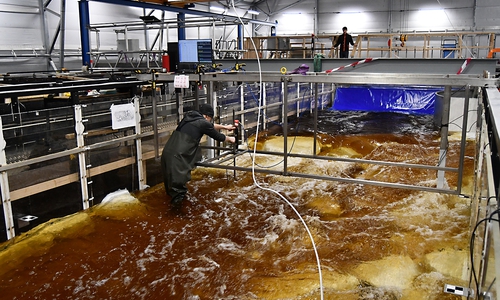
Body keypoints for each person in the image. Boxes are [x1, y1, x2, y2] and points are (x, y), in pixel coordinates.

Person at [161, 104, 236, 208]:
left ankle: (170, 209)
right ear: (206, 116)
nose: (209, 121)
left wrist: (224, 127)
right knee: (178, 189)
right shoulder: (202, 123)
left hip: (167, 153)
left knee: (170, 186)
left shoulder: (189, 118)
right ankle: (177, 215)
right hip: (177, 157)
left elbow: (208, 126)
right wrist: (230, 139)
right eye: (210, 118)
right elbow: (217, 136)